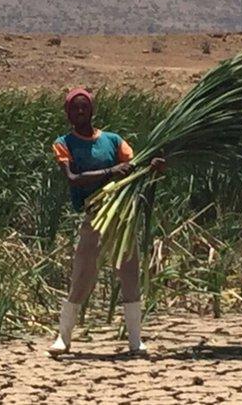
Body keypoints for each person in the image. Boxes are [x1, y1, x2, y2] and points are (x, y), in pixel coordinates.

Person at [48, 87, 165, 356]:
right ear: (68, 113)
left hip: (121, 215)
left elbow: (133, 166)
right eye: (75, 108)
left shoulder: (113, 140)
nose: (80, 112)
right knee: (82, 274)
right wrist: (110, 171)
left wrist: (153, 166)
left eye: (84, 107)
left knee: (129, 274)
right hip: (96, 216)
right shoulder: (64, 143)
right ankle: (63, 338)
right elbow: (74, 178)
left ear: (92, 110)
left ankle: (135, 341)